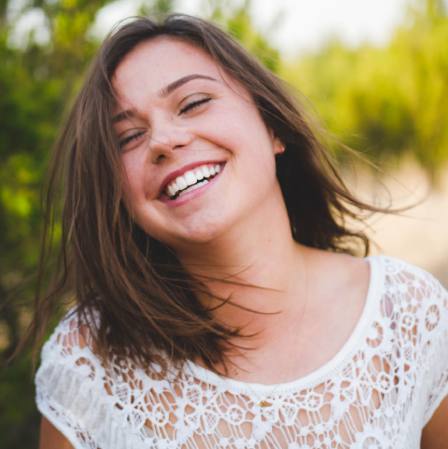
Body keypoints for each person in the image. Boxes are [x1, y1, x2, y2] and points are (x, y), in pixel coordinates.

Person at [32, 14, 447, 449]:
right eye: (130, 137)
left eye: (192, 103)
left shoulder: (407, 314)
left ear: (273, 127)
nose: (163, 140)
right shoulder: (89, 361)